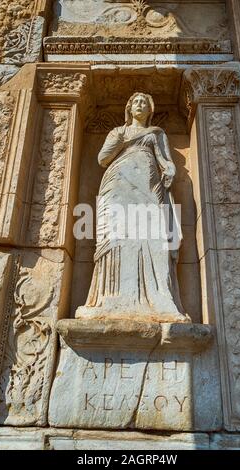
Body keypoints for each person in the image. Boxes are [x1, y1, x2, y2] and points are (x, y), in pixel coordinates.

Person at [76, 92, 190, 322]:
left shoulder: (157, 134)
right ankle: (109, 297)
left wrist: (170, 169)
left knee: (154, 236)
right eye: (136, 102)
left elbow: (165, 160)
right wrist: (121, 140)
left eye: (144, 102)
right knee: (116, 238)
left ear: (150, 110)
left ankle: (160, 298)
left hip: (148, 185)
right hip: (118, 184)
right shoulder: (118, 132)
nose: (139, 105)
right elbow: (102, 159)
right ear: (129, 108)